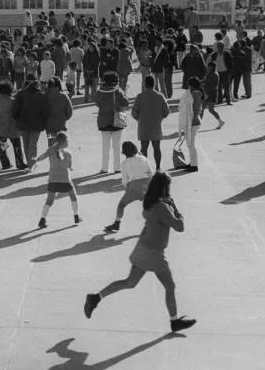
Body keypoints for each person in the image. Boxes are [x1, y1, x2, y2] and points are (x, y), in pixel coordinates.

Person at [84, 172, 197, 333]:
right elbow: (179, 226)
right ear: (164, 188)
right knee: (169, 285)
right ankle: (174, 322)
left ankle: (96, 298)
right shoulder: (162, 206)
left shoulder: (149, 201)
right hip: (154, 253)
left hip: (143, 247)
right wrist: (175, 207)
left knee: (129, 282)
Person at [104, 141, 153, 233]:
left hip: (133, 186)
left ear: (124, 152)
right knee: (149, 206)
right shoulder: (143, 158)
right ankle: (150, 225)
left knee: (122, 204)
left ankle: (117, 223)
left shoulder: (124, 164)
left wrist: (128, 188)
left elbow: (124, 181)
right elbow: (150, 173)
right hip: (146, 185)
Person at [35, 131, 80, 228]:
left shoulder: (51, 150)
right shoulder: (68, 152)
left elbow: (42, 157)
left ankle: (42, 219)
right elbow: (68, 165)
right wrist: (70, 167)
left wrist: (36, 160)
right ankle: (76, 216)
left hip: (53, 180)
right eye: (67, 140)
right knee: (73, 197)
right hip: (65, 180)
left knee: (49, 201)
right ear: (64, 142)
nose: (68, 142)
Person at [131, 74, 169, 172]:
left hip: (143, 126)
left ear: (145, 84)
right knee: (157, 148)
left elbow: (134, 113)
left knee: (144, 148)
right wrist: (160, 118)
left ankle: (145, 169)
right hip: (156, 125)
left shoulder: (140, 96)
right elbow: (166, 111)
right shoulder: (160, 96)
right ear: (154, 84)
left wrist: (140, 119)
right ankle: (158, 167)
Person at [96, 72, 129, 174]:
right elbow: (126, 103)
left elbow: (97, 103)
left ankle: (104, 168)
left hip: (103, 121)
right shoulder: (118, 91)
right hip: (116, 120)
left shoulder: (100, 91)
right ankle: (117, 168)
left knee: (105, 146)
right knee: (117, 145)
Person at [13, 74, 46, 169]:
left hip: (22, 124)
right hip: (36, 124)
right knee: (33, 145)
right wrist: (43, 122)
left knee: (26, 144)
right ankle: (31, 164)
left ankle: (29, 163)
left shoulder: (20, 94)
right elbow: (44, 111)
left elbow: (14, 110)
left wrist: (17, 120)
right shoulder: (41, 95)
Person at [178, 77, 205, 172]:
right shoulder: (196, 93)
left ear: (192, 85)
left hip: (193, 122)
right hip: (194, 120)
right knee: (190, 144)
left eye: (189, 85)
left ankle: (194, 165)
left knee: (191, 144)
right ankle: (193, 163)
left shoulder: (194, 94)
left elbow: (189, 107)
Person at [43, 77, 73, 144]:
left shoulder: (45, 96)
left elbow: (42, 111)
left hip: (49, 126)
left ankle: (52, 154)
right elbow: (69, 112)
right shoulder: (64, 96)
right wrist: (64, 118)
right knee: (61, 144)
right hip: (61, 125)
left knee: (51, 144)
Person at [203, 62, 224, 129]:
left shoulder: (215, 75)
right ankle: (196, 125)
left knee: (211, 110)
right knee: (201, 109)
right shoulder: (209, 73)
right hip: (206, 93)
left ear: (213, 67)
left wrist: (205, 90)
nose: (208, 68)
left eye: (209, 67)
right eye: (208, 66)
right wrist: (200, 82)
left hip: (212, 94)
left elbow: (213, 86)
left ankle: (220, 121)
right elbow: (205, 81)